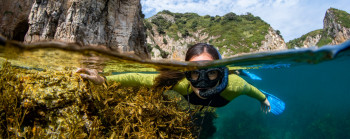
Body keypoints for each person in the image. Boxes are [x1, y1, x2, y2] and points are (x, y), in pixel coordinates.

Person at [77, 43, 271, 113]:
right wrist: (103, 80)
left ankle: (239, 70)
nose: (202, 84)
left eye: (211, 72)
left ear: (221, 72)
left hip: (235, 78)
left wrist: (264, 98)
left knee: (239, 76)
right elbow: (140, 77)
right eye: (195, 73)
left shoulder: (235, 86)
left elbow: (251, 90)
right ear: (187, 74)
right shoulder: (180, 83)